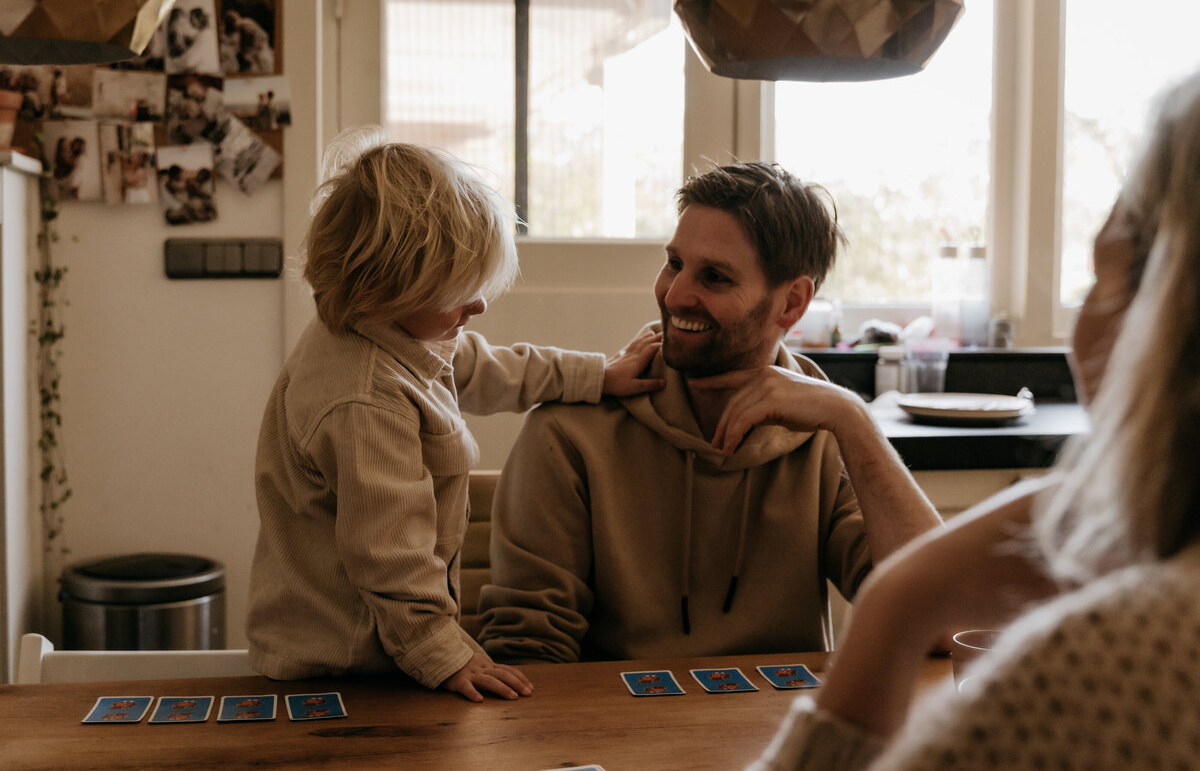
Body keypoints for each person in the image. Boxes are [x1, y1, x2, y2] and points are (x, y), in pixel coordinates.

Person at [747, 69, 1200, 771]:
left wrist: (900, 600)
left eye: (1094, 281)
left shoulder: (1105, 669)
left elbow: (928, 614)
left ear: (1163, 316)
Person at [246, 126, 664, 703]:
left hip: (381, 648)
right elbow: (389, 554)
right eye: (459, 292)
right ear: (387, 289)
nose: (480, 304)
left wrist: (597, 374)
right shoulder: (364, 399)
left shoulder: (388, 331)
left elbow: (480, 366)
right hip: (344, 668)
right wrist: (445, 653)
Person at [477, 161, 943, 663]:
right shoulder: (569, 432)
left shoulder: (827, 433)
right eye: (674, 263)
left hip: (784, 734)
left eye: (715, 277)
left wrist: (854, 419)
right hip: (618, 733)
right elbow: (527, 657)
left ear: (791, 303)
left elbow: (939, 623)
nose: (674, 295)